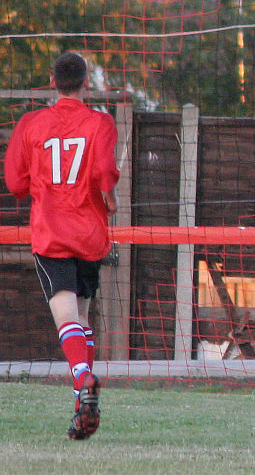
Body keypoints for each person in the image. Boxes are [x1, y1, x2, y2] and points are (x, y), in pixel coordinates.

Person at [4, 52, 120, 440]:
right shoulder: (101, 123)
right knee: (83, 318)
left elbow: (15, 184)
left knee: (66, 318)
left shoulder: (31, 123)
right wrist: (109, 193)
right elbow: (105, 173)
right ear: (87, 82)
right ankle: (81, 405)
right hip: (89, 232)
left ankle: (84, 377)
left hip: (52, 231)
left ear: (51, 82)